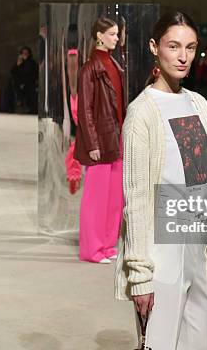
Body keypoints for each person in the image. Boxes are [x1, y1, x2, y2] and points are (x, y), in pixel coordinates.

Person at [114, 11, 207, 350]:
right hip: (160, 252)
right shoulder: (142, 113)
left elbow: (206, 185)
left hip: (194, 244)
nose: (183, 57)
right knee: (160, 343)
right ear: (154, 47)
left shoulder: (199, 105)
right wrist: (139, 277)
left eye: (190, 48)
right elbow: (134, 199)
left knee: (197, 343)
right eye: (173, 46)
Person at [74, 17, 125, 264]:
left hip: (116, 137)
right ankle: (91, 250)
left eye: (117, 34)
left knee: (115, 197)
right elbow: (84, 110)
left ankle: (107, 245)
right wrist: (92, 143)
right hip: (100, 141)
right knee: (95, 199)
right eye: (113, 34)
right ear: (99, 36)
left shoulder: (114, 64)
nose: (117, 38)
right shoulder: (89, 68)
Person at [10, 46, 38, 113]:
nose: (24, 54)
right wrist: (18, 65)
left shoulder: (31, 62)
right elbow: (13, 72)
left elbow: (28, 73)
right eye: (23, 53)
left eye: (26, 53)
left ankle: (24, 104)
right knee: (12, 84)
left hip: (29, 82)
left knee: (27, 87)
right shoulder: (19, 62)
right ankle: (16, 103)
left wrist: (23, 83)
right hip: (19, 82)